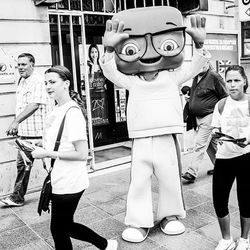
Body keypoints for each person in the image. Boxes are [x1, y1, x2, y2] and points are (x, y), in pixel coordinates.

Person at [100, 6, 210, 243]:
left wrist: (199, 44)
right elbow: (109, 72)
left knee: (170, 177)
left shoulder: (172, 76)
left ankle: (170, 216)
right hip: (140, 137)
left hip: (167, 135)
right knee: (139, 180)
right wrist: (108, 49)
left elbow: (196, 66)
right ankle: (138, 222)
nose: (148, 55)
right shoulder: (131, 80)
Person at [31, 65, 118, 250]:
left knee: (59, 229)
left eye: (52, 82)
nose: (48, 86)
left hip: (70, 181)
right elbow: (61, 141)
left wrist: (47, 153)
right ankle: (106, 245)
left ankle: (105, 244)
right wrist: (42, 145)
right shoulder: (57, 108)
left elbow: (81, 153)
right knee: (65, 226)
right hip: (59, 178)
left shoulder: (72, 113)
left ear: (66, 83)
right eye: (46, 82)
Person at [1, 53, 52, 207]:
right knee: (23, 166)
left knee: (50, 166)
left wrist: (16, 121)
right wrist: (19, 126)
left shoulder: (37, 81)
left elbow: (35, 104)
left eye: (24, 64)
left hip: (39, 133)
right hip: (26, 133)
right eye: (19, 65)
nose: (20, 68)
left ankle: (59, 195)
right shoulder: (22, 81)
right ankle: (17, 197)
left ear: (32, 65)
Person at [212, 65, 250, 250]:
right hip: (224, 158)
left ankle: (244, 239)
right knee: (219, 199)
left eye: (236, 80)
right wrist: (216, 135)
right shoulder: (220, 104)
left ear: (244, 81)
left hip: (246, 158)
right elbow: (215, 128)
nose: (232, 85)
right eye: (229, 81)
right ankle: (226, 239)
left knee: (246, 199)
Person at [182, 62, 228, 183]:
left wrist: (220, 116)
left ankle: (191, 172)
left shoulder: (214, 76)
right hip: (198, 117)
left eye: (204, 62)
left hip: (210, 115)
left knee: (200, 143)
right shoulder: (196, 75)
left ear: (208, 63)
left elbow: (225, 96)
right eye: (199, 62)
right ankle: (221, 166)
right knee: (210, 146)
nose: (201, 65)